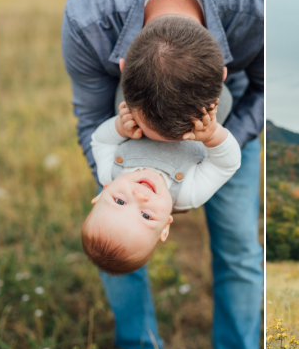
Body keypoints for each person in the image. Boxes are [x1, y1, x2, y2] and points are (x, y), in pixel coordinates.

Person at [62, 0, 264, 349]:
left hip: (225, 117)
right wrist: (118, 124)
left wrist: (213, 136)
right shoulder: (89, 15)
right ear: (122, 68)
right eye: (142, 209)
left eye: (121, 199)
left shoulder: (260, 4)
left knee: (238, 246)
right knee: (114, 244)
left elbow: (230, 157)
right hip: (129, 104)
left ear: (221, 75)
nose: (136, 194)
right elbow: (93, 127)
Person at [83, 29, 240, 276]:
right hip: (199, 104)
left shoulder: (108, 172)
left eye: (120, 201)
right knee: (218, 89)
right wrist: (212, 136)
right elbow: (226, 165)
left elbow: (99, 141)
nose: (139, 196)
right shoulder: (188, 193)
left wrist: (119, 127)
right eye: (146, 215)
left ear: (101, 194)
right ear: (166, 226)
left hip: (147, 86)